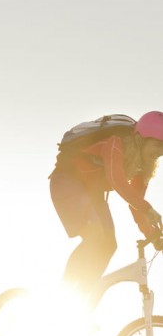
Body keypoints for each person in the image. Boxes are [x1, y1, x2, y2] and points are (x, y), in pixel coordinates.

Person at [49, 111, 163, 310]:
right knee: (95, 237)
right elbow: (116, 181)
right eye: (158, 144)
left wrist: (153, 236)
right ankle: (63, 294)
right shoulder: (115, 143)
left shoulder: (142, 167)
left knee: (109, 244)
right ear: (140, 138)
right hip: (67, 182)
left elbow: (136, 204)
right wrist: (147, 208)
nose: (160, 152)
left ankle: (84, 301)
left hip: (91, 193)